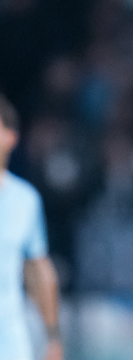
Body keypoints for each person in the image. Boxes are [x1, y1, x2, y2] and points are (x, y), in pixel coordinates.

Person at [0, 95, 63, 360]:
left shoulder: (25, 200)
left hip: (10, 343)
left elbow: (38, 269)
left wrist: (53, 338)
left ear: (11, 137)